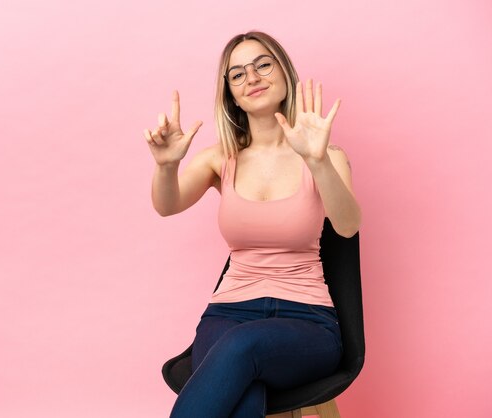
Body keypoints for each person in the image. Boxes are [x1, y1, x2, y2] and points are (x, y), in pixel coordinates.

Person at [143, 31, 361, 418]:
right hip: (227, 313)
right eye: (238, 74)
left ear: (283, 72)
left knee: (241, 349)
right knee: (244, 385)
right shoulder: (220, 159)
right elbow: (167, 205)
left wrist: (317, 162)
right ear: (230, 94)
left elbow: (347, 226)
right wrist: (166, 165)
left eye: (263, 64)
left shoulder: (327, 156)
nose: (252, 78)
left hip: (307, 320)